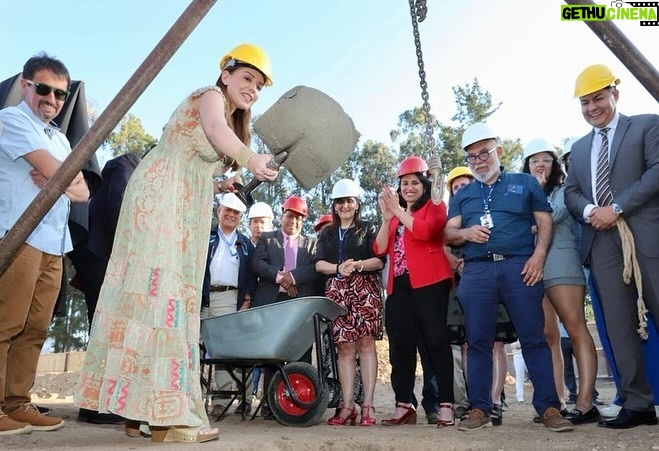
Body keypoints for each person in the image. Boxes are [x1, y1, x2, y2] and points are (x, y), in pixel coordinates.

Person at [74, 43, 278, 443]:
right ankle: (167, 418)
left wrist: (222, 182)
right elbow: (215, 133)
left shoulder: (232, 117)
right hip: (161, 195)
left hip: (184, 202)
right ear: (226, 74)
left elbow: (197, 157)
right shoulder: (210, 97)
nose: (252, 88)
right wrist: (252, 159)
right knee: (160, 294)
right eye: (247, 78)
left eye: (259, 85)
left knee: (169, 299)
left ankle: (140, 413)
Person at [444, 122, 573, 432]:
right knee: (477, 342)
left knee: (534, 337)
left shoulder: (525, 183)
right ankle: (480, 408)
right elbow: (449, 232)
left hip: (520, 267)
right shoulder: (464, 194)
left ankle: (549, 407)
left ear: (499, 151)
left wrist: (538, 257)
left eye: (484, 152)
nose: (478, 160)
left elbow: (545, 222)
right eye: (471, 156)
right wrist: (465, 232)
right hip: (477, 271)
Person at [564, 64, 659, 429]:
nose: (592, 108)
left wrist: (616, 208)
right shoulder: (580, 147)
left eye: (598, 98)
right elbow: (571, 192)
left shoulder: (647, 125)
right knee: (619, 326)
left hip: (646, 237)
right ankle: (638, 403)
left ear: (615, 94)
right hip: (602, 243)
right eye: (585, 102)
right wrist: (590, 211)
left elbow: (656, 171)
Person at [0, 53, 90, 436]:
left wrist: (60, 180)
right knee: (7, 323)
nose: (51, 100)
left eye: (59, 94)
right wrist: (62, 179)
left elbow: (83, 191)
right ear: (25, 85)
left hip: (54, 243)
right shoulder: (11, 120)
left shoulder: (60, 138)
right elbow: (63, 175)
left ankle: (17, 404)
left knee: (36, 327)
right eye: (44, 89)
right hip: (19, 237)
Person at [522, 138, 599, 425]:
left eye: (545, 159)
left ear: (554, 164)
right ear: (526, 166)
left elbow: (550, 219)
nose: (540, 164)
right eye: (534, 160)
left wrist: (521, 225)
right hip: (533, 270)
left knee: (576, 328)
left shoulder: (563, 191)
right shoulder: (521, 194)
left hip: (561, 264)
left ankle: (586, 402)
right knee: (548, 337)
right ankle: (554, 403)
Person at [374, 156, 455, 427]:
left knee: (436, 343)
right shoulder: (395, 215)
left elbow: (425, 231)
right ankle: (404, 403)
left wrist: (397, 211)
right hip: (399, 286)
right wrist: (387, 219)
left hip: (431, 282)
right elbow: (379, 249)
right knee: (400, 346)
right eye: (404, 183)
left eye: (414, 182)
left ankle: (445, 403)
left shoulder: (435, 205)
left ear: (424, 183)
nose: (409, 187)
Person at [70, 152, 140, 425]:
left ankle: (99, 402)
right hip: (100, 256)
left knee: (107, 328)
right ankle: (94, 406)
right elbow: (118, 204)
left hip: (105, 258)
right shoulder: (126, 163)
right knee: (103, 328)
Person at [315, 179, 383, 426]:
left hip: (366, 290)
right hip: (337, 290)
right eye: (339, 202)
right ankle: (347, 405)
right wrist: (338, 268)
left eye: (349, 201)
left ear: (357, 204)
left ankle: (368, 406)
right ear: (334, 206)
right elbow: (319, 264)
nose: (344, 206)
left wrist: (358, 265)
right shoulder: (326, 233)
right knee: (344, 349)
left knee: (366, 346)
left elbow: (379, 260)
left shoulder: (369, 228)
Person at [251, 195, 319, 419]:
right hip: (272, 304)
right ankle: (271, 405)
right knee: (274, 353)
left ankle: (303, 404)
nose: (293, 221)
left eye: (299, 218)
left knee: (302, 352)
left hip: (299, 306)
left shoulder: (311, 244)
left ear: (303, 221)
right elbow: (258, 264)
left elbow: (313, 269)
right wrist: (281, 278)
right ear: (282, 216)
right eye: (290, 216)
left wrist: (293, 278)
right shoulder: (268, 239)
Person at [200, 193, 257, 418]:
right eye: (227, 211)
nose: (231, 215)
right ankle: (192, 396)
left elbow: (251, 277)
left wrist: (246, 301)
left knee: (222, 349)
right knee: (194, 347)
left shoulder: (245, 244)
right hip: (202, 295)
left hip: (228, 297)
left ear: (241, 216)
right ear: (218, 211)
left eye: (236, 213)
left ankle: (221, 400)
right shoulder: (205, 235)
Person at [244, 201, 274, 406]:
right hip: (245, 306)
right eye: (254, 222)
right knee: (244, 352)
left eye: (262, 222)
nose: (258, 226)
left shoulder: (276, 247)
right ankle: (245, 397)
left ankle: (267, 399)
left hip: (267, 306)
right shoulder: (243, 245)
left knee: (268, 352)